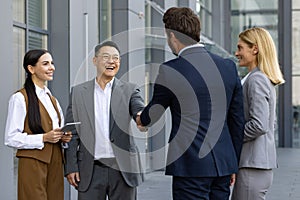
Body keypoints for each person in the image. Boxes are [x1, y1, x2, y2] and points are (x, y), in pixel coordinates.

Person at [136, 7, 245, 200]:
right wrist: (232, 163)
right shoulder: (228, 67)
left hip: (190, 167)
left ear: (172, 36)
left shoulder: (170, 70)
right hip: (223, 166)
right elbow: (237, 122)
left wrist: (141, 119)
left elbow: (153, 113)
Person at [64, 41, 144, 200]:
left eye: (116, 58)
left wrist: (144, 117)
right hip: (90, 169)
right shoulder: (79, 92)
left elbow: (139, 109)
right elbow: (71, 133)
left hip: (122, 170)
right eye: (106, 57)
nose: (112, 61)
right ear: (95, 61)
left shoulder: (130, 90)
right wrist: (71, 166)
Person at [4, 49, 72, 200]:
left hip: (55, 161)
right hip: (32, 162)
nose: (52, 67)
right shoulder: (19, 98)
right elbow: (11, 138)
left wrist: (63, 137)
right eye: (46, 63)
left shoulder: (52, 99)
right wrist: (43, 138)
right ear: (31, 68)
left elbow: (55, 131)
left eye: (52, 63)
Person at [231, 27, 285, 200]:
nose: (236, 52)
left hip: (253, 165)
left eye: (240, 48)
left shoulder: (257, 80)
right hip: (255, 164)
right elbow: (270, 123)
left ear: (255, 48)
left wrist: (234, 137)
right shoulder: (258, 78)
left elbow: (260, 124)